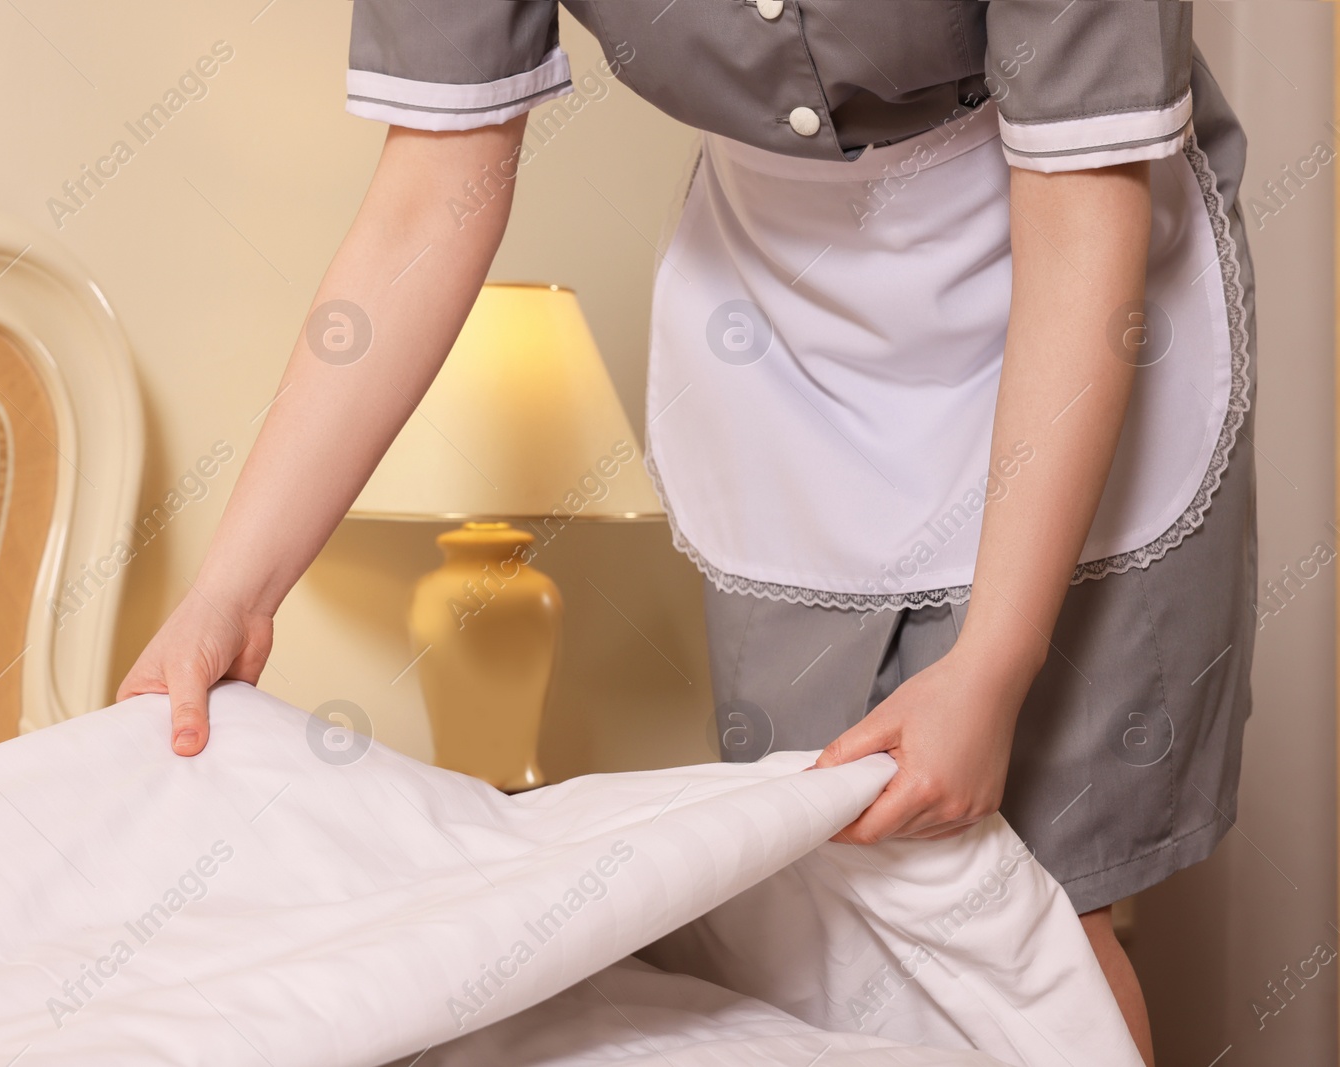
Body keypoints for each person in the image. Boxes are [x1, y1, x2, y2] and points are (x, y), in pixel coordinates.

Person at [121, 4, 1255, 1061]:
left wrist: (997, 660)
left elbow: (1079, 210)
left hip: (1075, 286)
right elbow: (432, 192)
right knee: (826, 910)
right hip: (788, 334)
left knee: (1044, 913)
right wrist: (235, 589)